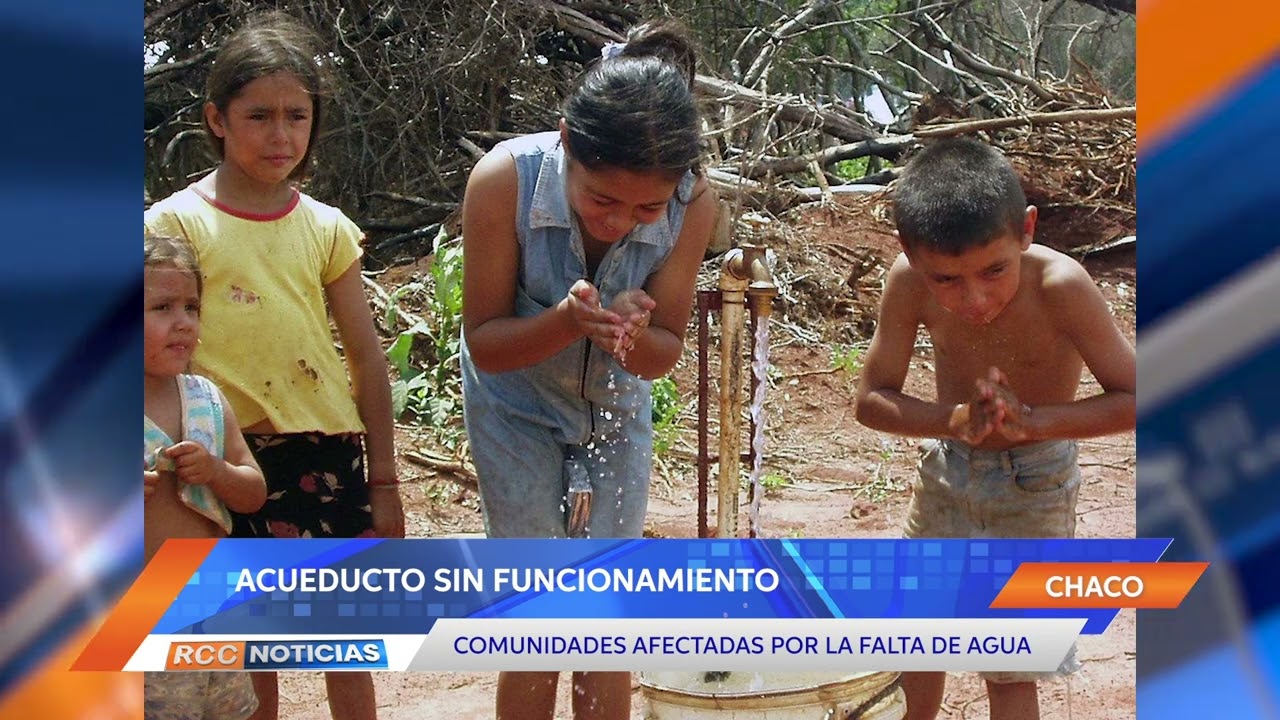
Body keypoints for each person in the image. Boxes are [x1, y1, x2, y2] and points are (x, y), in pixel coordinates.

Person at [143, 12, 405, 720]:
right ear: (216, 119)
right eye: (259, 115)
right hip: (222, 460)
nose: (281, 134)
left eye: (297, 115)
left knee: (343, 642)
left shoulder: (324, 227)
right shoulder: (174, 224)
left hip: (328, 453)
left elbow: (366, 360)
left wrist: (385, 480)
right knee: (245, 645)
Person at [459, 20, 716, 720]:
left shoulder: (695, 203)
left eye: (644, 210)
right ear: (567, 142)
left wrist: (628, 333)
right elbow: (486, 342)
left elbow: (664, 351)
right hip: (515, 410)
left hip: (616, 410)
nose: (619, 223)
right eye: (601, 199)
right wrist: (567, 322)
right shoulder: (503, 181)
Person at [854, 137, 1136, 720]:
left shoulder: (1062, 286)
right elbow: (871, 400)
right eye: (947, 280)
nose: (974, 298)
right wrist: (952, 422)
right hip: (946, 475)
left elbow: (1136, 397)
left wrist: (1033, 423)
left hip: (1034, 486)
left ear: (1027, 229)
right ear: (910, 251)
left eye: (993, 270)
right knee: (916, 643)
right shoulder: (907, 282)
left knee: (1009, 666)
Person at [144, 233, 268, 720]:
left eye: (192, 306)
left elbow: (253, 492)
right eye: (162, 307)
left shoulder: (206, 399)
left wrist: (217, 472)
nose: (183, 322)